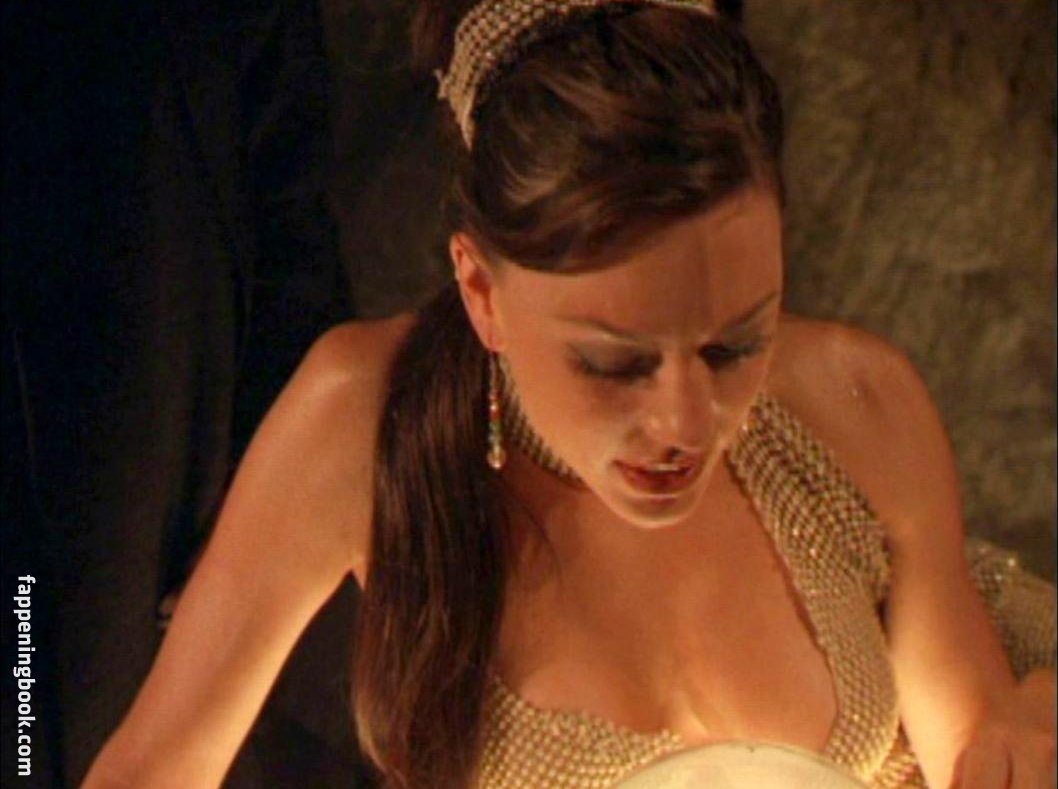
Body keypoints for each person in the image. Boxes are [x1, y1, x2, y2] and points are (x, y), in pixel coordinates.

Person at [81, 1, 1056, 788]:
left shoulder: (857, 399)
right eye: (614, 363)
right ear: (481, 292)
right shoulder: (365, 417)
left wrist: (1011, 746)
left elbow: (971, 736)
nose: (686, 423)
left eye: (733, 344)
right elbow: (151, 769)